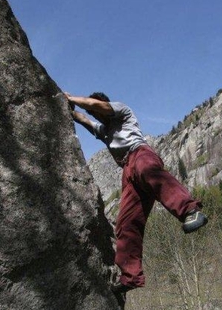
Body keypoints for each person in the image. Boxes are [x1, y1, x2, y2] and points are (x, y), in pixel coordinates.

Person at [65, 91, 208, 293]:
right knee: (126, 222)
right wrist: (68, 108)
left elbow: (92, 105)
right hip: (127, 172)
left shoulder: (122, 111)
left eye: (97, 109)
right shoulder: (104, 130)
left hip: (140, 154)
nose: (96, 115)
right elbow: (83, 119)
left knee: (150, 173)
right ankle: (130, 277)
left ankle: (191, 211)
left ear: (105, 104)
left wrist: (72, 99)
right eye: (94, 113)